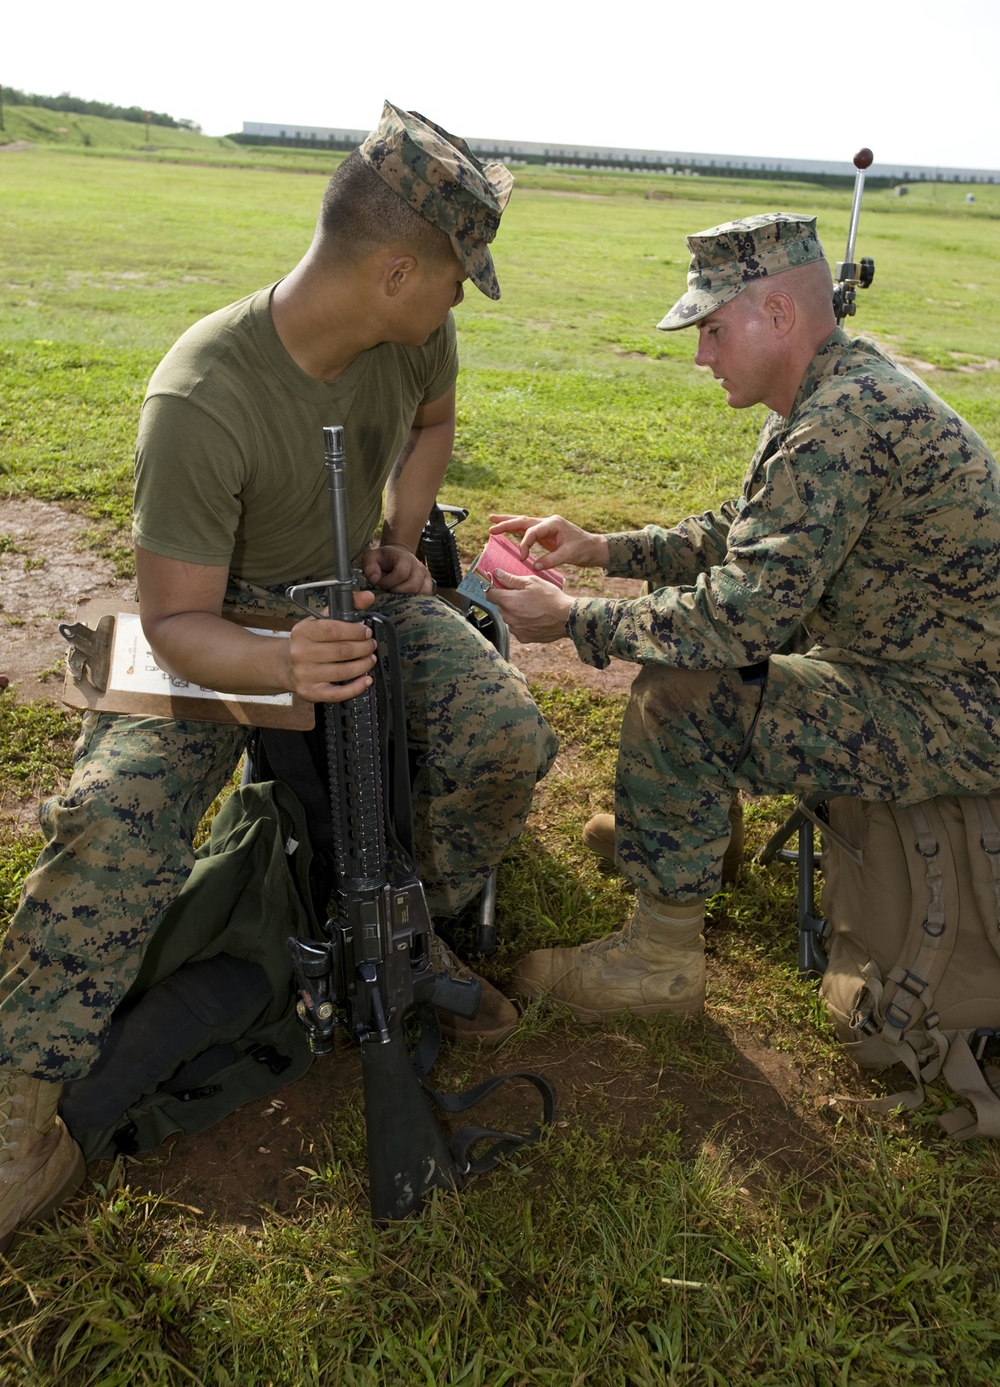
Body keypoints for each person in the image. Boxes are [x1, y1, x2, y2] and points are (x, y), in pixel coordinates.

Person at [0, 102, 557, 1250]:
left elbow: (435, 420)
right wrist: (277, 664)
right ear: (397, 268)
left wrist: (404, 533)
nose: (462, 300)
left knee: (507, 739)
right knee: (114, 817)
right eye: (457, 277)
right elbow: (174, 620)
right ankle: (20, 1108)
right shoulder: (204, 394)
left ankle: (417, 929)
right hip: (221, 626)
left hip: (355, 604)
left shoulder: (414, 337)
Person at [488, 212, 1000, 1024]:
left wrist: (574, 618)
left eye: (714, 329)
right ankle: (691, 839)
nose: (701, 353)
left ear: (779, 315)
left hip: (955, 711)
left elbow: (736, 620)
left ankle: (660, 963)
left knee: (684, 688)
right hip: (912, 669)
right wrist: (602, 548)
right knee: (723, 649)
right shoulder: (832, 386)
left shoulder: (841, 420)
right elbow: (747, 533)